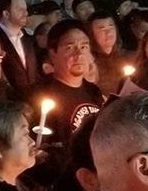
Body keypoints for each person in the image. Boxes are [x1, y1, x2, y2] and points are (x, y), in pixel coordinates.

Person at [27, 21, 104, 173]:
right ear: (53, 53)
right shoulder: (39, 95)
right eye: (70, 48)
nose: (79, 54)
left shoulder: (93, 91)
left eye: (84, 47)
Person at [0, 0, 40, 96]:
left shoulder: (27, 39)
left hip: (33, 97)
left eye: (26, 9)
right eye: (20, 9)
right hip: (8, 99)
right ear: (6, 14)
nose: (26, 13)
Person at [88, 10, 132, 97]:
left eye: (111, 26)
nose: (108, 32)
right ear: (92, 33)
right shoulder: (89, 62)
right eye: (102, 29)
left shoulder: (129, 57)